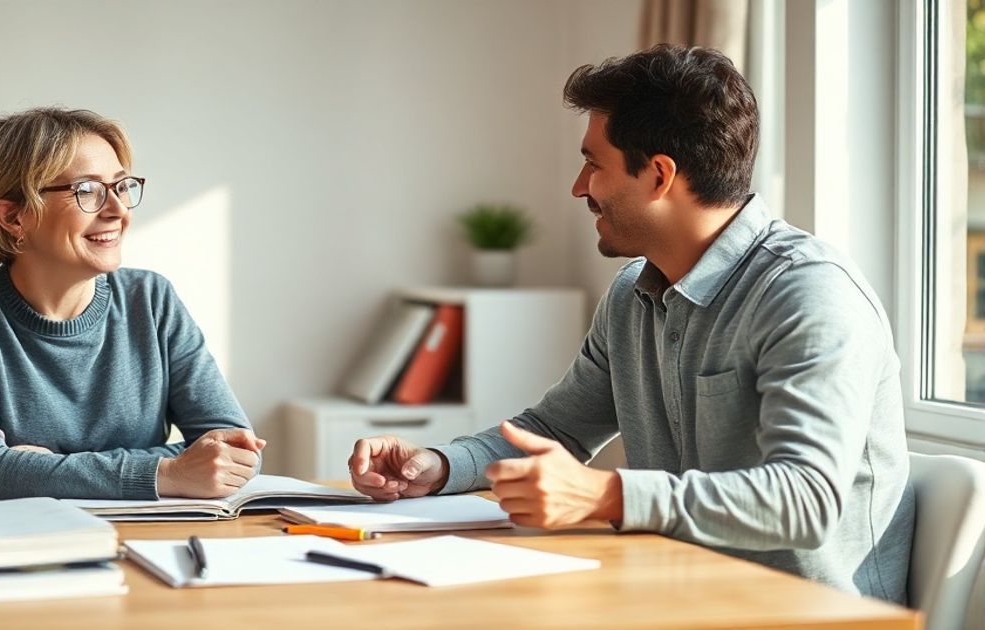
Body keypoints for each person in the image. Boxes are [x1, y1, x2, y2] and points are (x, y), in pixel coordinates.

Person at [347, 45, 914, 603]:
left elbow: (805, 501)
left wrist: (608, 494)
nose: (578, 186)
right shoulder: (633, 294)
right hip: (677, 593)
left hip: (804, 616)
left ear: (660, 175)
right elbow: (557, 431)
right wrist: (441, 465)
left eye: (594, 163)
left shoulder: (808, 294)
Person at [0, 107, 265, 501]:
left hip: (138, 539)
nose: (118, 211)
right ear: (13, 216)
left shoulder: (151, 299)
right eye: (87, 191)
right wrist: (170, 471)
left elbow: (236, 450)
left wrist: (35, 468)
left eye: (120, 186)